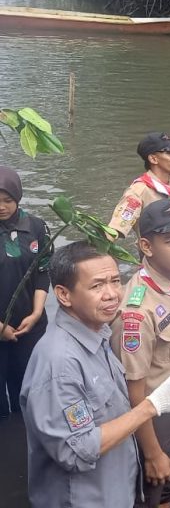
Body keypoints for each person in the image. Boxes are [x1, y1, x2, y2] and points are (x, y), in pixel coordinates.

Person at [20, 242, 170, 508]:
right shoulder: (60, 364)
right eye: (97, 286)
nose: (112, 294)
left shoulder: (99, 333)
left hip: (115, 486)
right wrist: (151, 406)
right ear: (64, 295)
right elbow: (75, 451)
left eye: (115, 281)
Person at [110, 199, 170, 508]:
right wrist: (152, 452)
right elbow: (134, 392)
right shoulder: (137, 312)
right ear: (146, 247)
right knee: (153, 486)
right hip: (156, 415)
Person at [0, 166, 51, 420]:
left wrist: (37, 312)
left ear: (18, 197)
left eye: (7, 200)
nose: (1, 207)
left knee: (30, 392)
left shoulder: (37, 227)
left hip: (29, 325)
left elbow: (43, 271)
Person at [108, 132, 170, 238]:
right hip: (153, 247)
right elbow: (115, 230)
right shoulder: (138, 192)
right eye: (169, 153)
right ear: (153, 159)